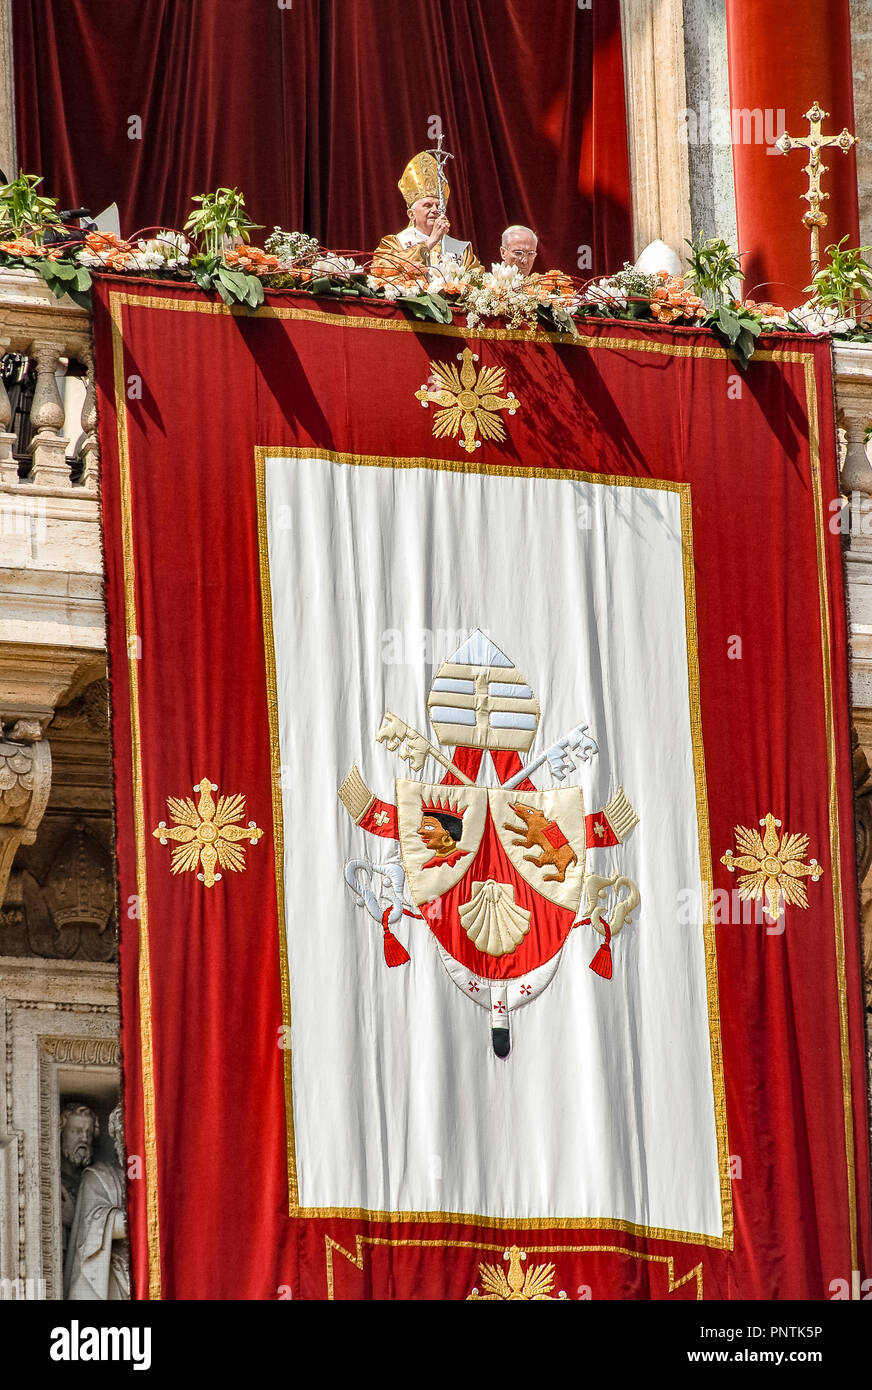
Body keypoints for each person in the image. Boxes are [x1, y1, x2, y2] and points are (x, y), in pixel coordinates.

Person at [374, 151, 480, 276]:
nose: (435, 210)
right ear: (411, 214)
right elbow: (380, 270)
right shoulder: (394, 244)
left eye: (438, 206)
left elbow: (476, 280)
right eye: (428, 205)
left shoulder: (461, 250)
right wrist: (430, 243)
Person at [64, 1103, 129, 1300]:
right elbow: (93, 1225)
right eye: (124, 1136)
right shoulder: (100, 1176)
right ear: (117, 1141)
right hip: (115, 1277)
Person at [59, 1102, 97, 1260]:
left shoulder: (97, 1181)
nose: (84, 1139)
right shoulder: (52, 1182)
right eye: (77, 1131)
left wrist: (73, 1219)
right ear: (61, 1133)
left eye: (88, 1133)